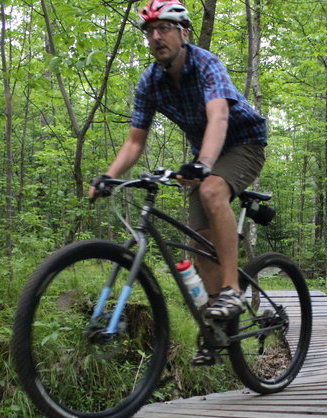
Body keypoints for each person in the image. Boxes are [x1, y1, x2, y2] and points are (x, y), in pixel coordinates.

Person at [90, 1, 267, 336]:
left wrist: (203, 164)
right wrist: (110, 176)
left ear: (184, 32)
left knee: (212, 189)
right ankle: (219, 327)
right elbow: (134, 143)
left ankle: (232, 289)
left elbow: (219, 116)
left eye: (165, 28)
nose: (157, 37)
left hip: (244, 143)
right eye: (150, 31)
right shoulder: (150, 82)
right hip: (207, 155)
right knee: (199, 241)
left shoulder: (206, 64)